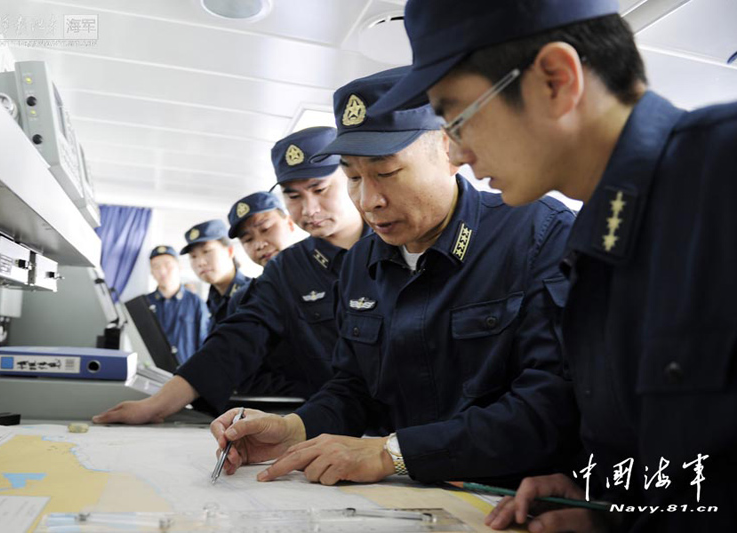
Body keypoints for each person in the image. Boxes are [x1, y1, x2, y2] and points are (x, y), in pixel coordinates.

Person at [372, 1, 737, 531]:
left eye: (459, 119)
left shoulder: (723, 172)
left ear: (555, 81)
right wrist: (605, 501)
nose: (458, 156)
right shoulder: (591, 244)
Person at [209, 68, 578, 489]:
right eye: (351, 178)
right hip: (408, 499)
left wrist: (393, 453)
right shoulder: (360, 261)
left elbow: (551, 402)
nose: (368, 201)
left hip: (509, 498)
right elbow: (354, 387)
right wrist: (294, 428)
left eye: (385, 173)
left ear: (450, 149)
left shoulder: (536, 233)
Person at [92, 126, 366, 421]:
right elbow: (237, 339)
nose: (310, 209)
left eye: (320, 189)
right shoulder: (286, 270)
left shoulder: (400, 244)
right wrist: (158, 405)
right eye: (294, 196)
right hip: (335, 423)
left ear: (353, 177)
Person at [179, 219, 251, 334]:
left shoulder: (251, 294)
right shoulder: (210, 301)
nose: (200, 262)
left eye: (207, 251)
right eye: (193, 256)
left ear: (229, 251)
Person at [146, 245, 208, 365]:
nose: (162, 271)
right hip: (152, 372)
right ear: (151, 272)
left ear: (179, 267)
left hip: (186, 374)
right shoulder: (145, 304)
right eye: (156, 266)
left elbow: (204, 343)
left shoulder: (195, 302)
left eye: (167, 264)